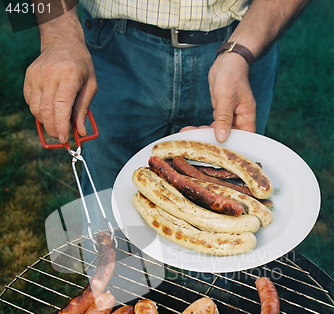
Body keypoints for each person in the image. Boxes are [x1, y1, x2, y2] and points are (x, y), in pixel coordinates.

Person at [24, 0, 309, 195]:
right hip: (111, 49)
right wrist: (58, 37)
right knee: (111, 223)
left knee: (231, 222)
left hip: (243, 47)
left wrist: (240, 52)